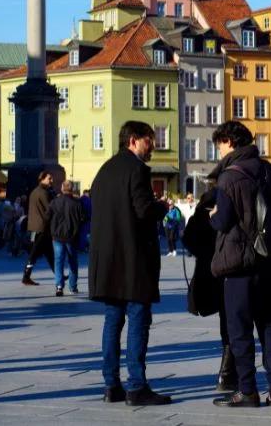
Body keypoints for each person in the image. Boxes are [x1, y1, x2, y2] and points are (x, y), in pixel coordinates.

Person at [88, 120, 171, 406]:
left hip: (108, 261)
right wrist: (161, 207)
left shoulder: (105, 170)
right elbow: (143, 211)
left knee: (112, 321)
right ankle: (137, 386)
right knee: (138, 320)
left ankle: (111, 384)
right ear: (134, 140)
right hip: (132, 261)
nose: (154, 146)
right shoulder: (136, 170)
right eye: (150, 140)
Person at [208, 121, 271, 408]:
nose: (219, 151)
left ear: (230, 142)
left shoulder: (229, 177)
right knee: (268, 326)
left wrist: (213, 214)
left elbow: (224, 221)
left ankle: (247, 390)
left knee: (239, 329)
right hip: (268, 260)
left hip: (239, 264)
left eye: (220, 145)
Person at [182, 188, 234, 392]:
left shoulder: (200, 214)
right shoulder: (224, 211)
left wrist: (203, 254)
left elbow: (187, 238)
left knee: (227, 322)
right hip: (227, 272)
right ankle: (227, 373)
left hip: (208, 273)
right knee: (230, 323)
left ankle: (227, 372)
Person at [49, 179, 85, 296]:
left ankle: (59, 286)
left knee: (58, 261)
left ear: (62, 188)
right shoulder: (77, 203)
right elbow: (83, 218)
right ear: (72, 189)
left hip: (57, 236)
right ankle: (72, 286)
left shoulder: (54, 202)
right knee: (72, 262)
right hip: (72, 236)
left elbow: (47, 216)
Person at [22, 172, 56, 286]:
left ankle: (58, 274)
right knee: (34, 254)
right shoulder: (43, 193)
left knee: (49, 253)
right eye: (49, 178)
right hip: (41, 228)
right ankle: (26, 277)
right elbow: (50, 209)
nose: (51, 180)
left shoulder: (35, 191)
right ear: (42, 179)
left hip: (38, 227)